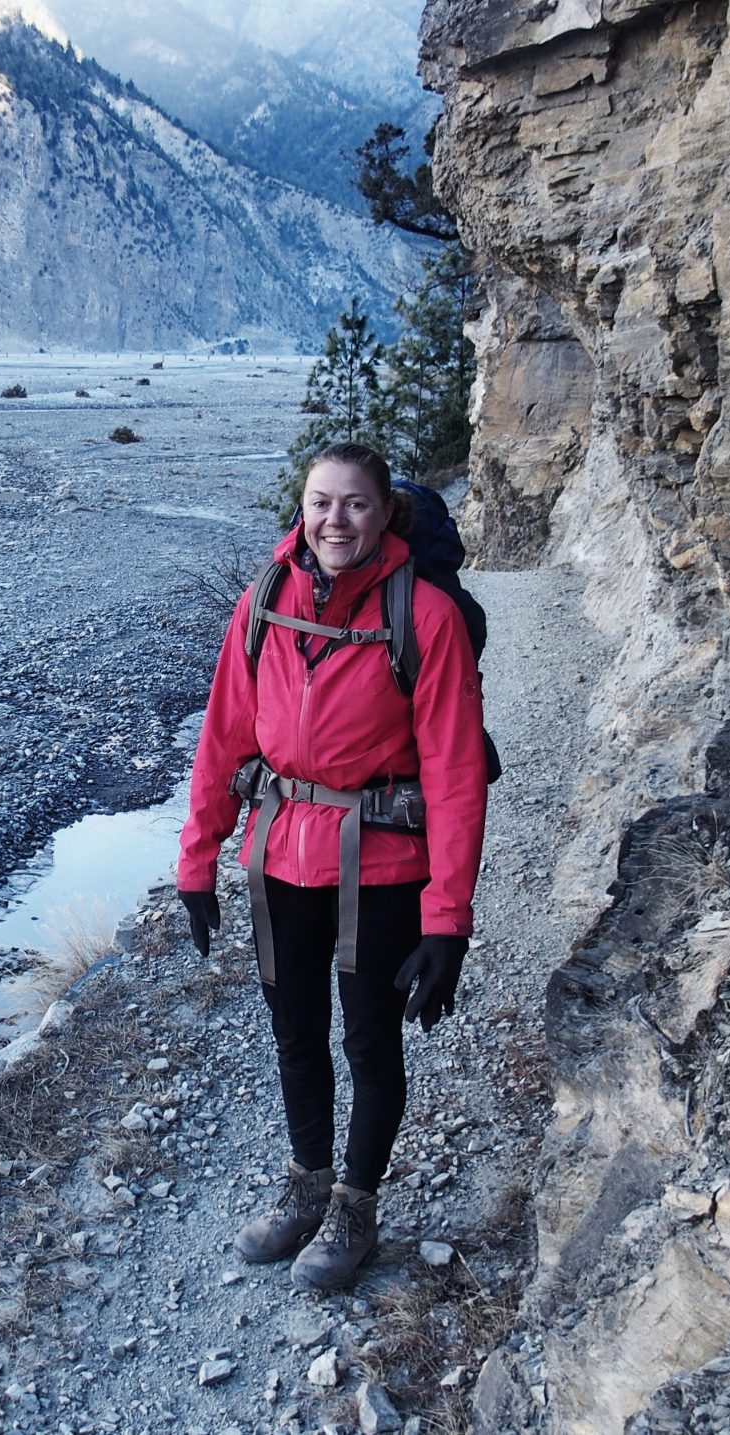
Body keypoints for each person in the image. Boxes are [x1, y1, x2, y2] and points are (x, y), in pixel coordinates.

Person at [175, 441, 488, 1291]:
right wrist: (197, 859)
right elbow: (224, 735)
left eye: (354, 503)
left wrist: (447, 921)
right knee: (295, 1032)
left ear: (385, 513)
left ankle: (356, 1203)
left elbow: (456, 775)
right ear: (301, 508)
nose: (335, 520)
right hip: (279, 854)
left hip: (381, 865)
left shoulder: (425, 615)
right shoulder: (265, 600)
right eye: (320, 502)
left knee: (369, 1039)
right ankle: (308, 1183)